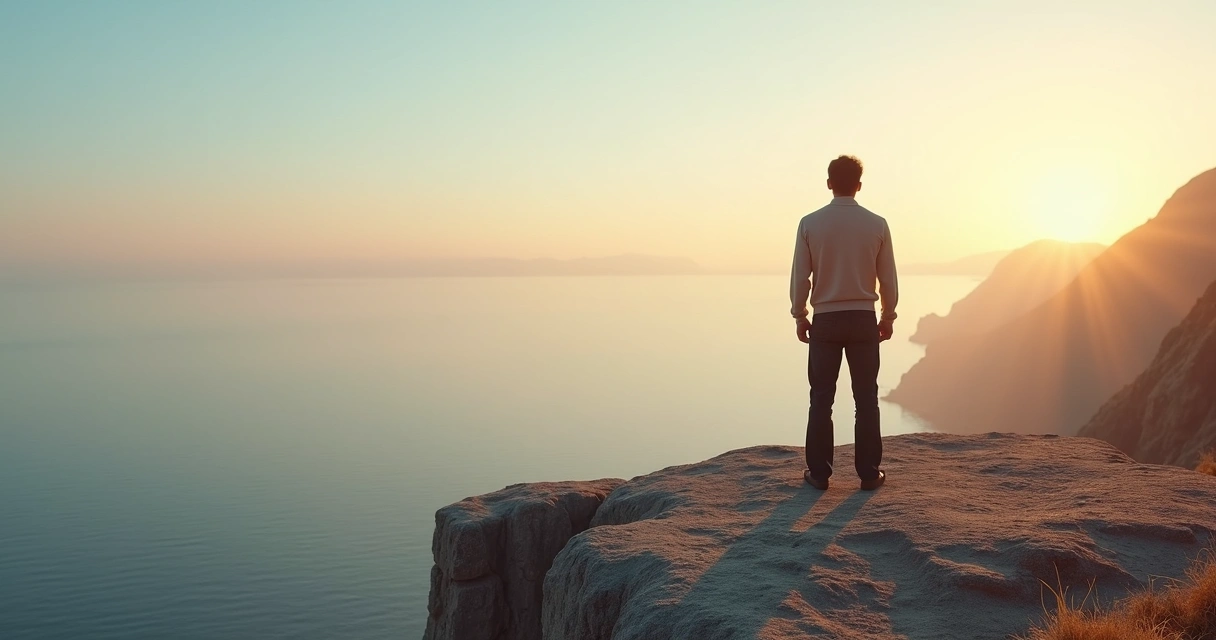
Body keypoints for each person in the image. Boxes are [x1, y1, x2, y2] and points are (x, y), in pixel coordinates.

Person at [789, 155, 898, 491]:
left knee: (821, 398)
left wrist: (800, 315)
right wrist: (888, 316)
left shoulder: (809, 223)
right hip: (864, 319)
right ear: (859, 185)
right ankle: (868, 473)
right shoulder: (877, 224)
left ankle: (819, 474)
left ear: (828, 183)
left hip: (826, 320)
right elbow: (888, 279)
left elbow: (800, 278)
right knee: (866, 398)